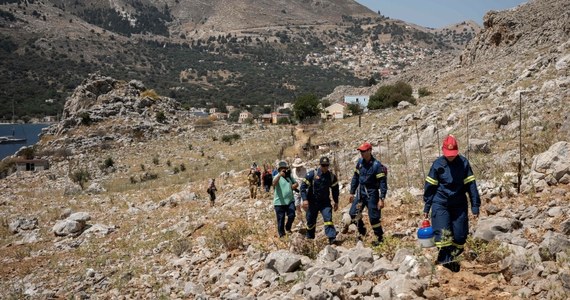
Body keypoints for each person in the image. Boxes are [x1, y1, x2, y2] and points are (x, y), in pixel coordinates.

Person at [423, 135, 480, 272]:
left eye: (453, 154)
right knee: (443, 236)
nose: (450, 157)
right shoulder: (437, 165)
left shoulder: (464, 163)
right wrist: (427, 207)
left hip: (459, 204)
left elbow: (471, 185)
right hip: (440, 203)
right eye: (448, 155)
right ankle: (446, 262)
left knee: (460, 236)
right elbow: (430, 188)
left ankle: (451, 258)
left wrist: (475, 205)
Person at [348, 142, 388, 246]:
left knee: (374, 218)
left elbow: (383, 183)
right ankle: (362, 230)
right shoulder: (360, 163)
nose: (361, 153)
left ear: (370, 151)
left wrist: (381, 198)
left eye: (364, 151)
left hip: (372, 193)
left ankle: (380, 238)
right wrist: (352, 192)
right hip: (361, 192)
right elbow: (355, 177)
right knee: (353, 213)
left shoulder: (376, 165)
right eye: (360, 151)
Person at [301, 156, 340, 245]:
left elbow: (335, 190)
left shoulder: (331, 176)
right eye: (323, 165)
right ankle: (310, 238)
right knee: (310, 221)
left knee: (328, 218)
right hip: (312, 202)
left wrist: (336, 201)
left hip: (325, 203)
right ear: (320, 165)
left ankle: (332, 238)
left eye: (326, 165)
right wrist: (305, 200)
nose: (325, 167)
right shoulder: (312, 174)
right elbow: (303, 187)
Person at [272, 161, 298, 238]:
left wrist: (294, 185)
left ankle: (288, 227)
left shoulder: (289, 176)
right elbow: (274, 184)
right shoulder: (276, 176)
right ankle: (282, 234)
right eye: (282, 169)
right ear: (279, 169)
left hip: (290, 200)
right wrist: (279, 175)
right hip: (279, 202)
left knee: (292, 215)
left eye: (285, 168)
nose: (284, 170)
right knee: (281, 219)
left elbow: (296, 183)